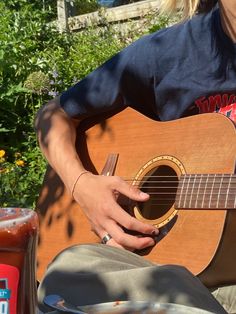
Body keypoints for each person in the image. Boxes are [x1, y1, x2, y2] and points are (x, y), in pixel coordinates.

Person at [35, 0, 236, 313]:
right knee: (68, 269)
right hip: (172, 276)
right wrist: (83, 186)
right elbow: (52, 115)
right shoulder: (170, 52)